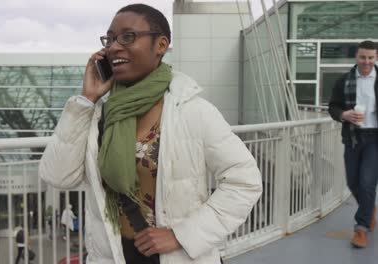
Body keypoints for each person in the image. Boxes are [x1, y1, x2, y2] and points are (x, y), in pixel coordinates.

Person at [39, 3, 262, 263]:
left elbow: (244, 181)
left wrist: (181, 235)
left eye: (128, 37)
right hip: (110, 255)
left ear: (161, 45)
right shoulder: (97, 114)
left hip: (175, 256)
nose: (113, 47)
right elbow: (58, 176)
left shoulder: (192, 111)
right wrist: (86, 100)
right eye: (109, 39)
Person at [328, 40, 378, 249]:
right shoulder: (343, 80)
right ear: (356, 57)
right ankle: (369, 209)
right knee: (352, 183)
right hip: (353, 137)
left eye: (370, 57)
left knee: (367, 183)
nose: (366, 61)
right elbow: (333, 107)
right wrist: (344, 114)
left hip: (374, 139)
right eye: (362, 57)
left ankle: (361, 228)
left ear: (375, 58)